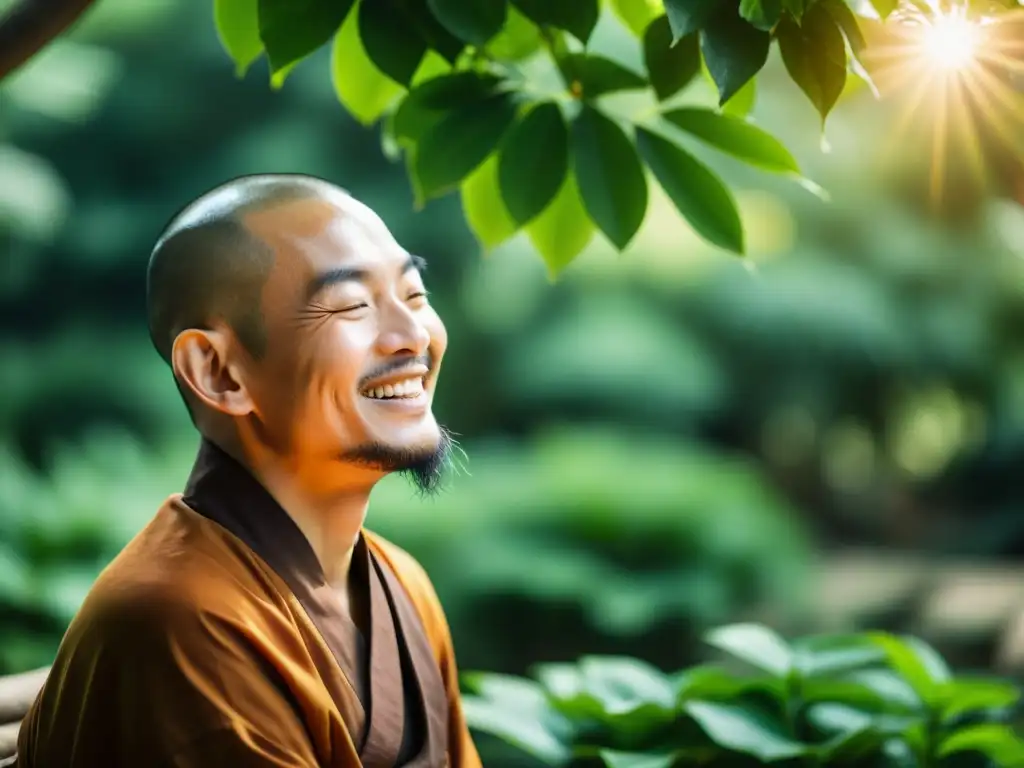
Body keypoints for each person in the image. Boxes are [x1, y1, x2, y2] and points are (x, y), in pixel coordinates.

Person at [15, 173, 481, 767]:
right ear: (218, 373)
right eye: (352, 306)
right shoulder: (179, 620)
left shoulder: (403, 584)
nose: (413, 334)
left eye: (415, 296)